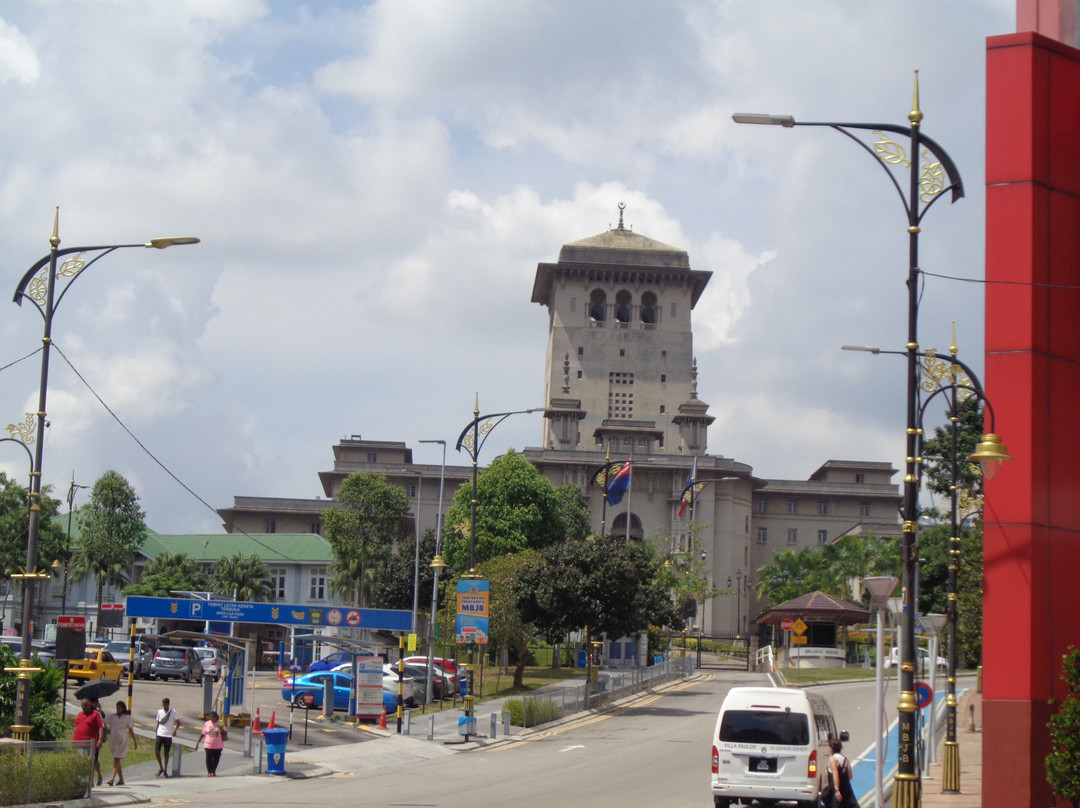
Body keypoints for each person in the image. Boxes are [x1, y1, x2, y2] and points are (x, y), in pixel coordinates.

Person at [104, 700, 137, 786]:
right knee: (116, 759)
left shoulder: (127, 717)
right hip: (113, 740)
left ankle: (111, 779)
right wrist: (100, 711)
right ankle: (121, 779)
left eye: (119, 708)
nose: (118, 709)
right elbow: (104, 721)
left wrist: (134, 741)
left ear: (123, 709)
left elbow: (130, 729)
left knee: (116, 759)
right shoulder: (112, 717)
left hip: (122, 740)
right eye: (117, 708)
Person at [72, 699, 105, 786]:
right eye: (82, 705)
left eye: (85, 705)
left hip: (89, 744)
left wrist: (100, 740)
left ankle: (89, 781)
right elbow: (77, 728)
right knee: (79, 762)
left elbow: (101, 727)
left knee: (89, 762)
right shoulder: (79, 715)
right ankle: (81, 780)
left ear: (90, 705)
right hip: (78, 743)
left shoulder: (95, 714)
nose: (84, 707)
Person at [827, 736, 860, 808]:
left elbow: (835, 773)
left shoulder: (833, 759)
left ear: (832, 748)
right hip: (846, 789)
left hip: (837, 788)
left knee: (826, 798)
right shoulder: (845, 760)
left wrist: (837, 790)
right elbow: (850, 776)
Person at [194, 710, 227, 777]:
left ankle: (213, 771)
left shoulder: (220, 722)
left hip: (218, 745)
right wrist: (197, 743)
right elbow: (203, 733)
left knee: (216, 759)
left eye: (213, 717)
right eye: (210, 717)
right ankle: (209, 771)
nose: (211, 719)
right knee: (208, 758)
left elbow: (225, 733)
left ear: (216, 717)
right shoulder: (207, 723)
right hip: (208, 745)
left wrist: (221, 728)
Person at [154, 697, 181, 777]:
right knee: (156, 751)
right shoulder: (159, 712)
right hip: (160, 733)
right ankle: (161, 767)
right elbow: (158, 723)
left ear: (168, 704)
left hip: (168, 735)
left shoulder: (173, 712)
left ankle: (165, 769)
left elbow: (178, 722)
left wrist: (175, 730)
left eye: (166, 704)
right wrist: (156, 733)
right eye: (163, 704)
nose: (164, 706)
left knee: (166, 753)